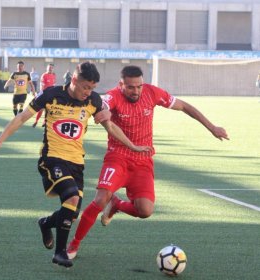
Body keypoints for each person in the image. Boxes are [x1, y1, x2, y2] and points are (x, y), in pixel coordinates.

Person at [0, 61, 151, 268]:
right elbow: (22, 118)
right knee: (71, 196)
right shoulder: (51, 95)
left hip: (77, 163)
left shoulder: (93, 100)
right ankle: (60, 253)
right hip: (52, 158)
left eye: (92, 88)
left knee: (70, 214)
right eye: (85, 87)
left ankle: (46, 223)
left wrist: (133, 146)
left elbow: (111, 127)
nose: (88, 92)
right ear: (74, 80)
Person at [67, 65, 229, 260]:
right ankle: (73, 245)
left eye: (139, 86)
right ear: (121, 84)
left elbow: (184, 106)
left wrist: (212, 127)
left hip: (143, 161)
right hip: (117, 157)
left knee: (145, 210)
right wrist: (103, 111)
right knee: (100, 199)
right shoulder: (113, 96)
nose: (136, 91)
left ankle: (117, 205)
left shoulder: (152, 93)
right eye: (130, 87)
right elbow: (103, 104)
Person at [32, 63, 56, 128]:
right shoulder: (44, 75)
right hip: (44, 94)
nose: (50, 68)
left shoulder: (54, 75)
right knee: (41, 109)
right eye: (49, 67)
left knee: (48, 109)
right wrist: (40, 94)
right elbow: (41, 86)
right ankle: (36, 121)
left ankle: (44, 122)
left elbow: (53, 86)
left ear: (53, 68)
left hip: (50, 95)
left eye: (51, 67)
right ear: (47, 68)